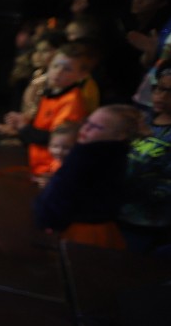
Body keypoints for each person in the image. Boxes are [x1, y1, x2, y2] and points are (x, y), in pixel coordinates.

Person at [34, 104, 144, 248]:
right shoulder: (107, 153)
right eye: (87, 123)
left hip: (82, 231)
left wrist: (46, 220)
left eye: (96, 127)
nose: (85, 129)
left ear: (120, 135)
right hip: (87, 227)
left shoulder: (90, 156)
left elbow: (64, 194)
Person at [119, 51, 171, 251]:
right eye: (159, 88)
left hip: (144, 224)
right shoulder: (142, 120)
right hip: (112, 211)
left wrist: (119, 186)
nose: (162, 96)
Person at [0, 46, 93, 180]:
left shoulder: (71, 102)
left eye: (67, 69)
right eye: (55, 66)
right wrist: (23, 124)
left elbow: (56, 140)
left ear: (82, 75)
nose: (58, 72)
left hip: (53, 172)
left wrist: (24, 128)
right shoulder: (51, 94)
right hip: (40, 168)